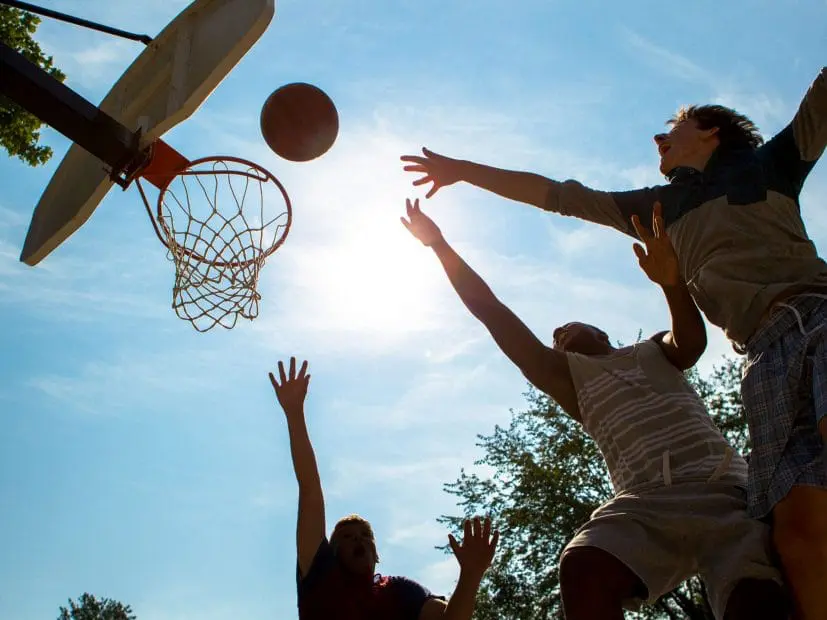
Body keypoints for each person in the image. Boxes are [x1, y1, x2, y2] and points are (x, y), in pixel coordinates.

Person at [401, 67, 827, 619]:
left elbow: (690, 344)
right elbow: (555, 200)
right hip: (751, 372)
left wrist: (673, 285)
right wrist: (460, 177)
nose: (658, 137)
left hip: (799, 349)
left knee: (771, 576)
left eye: (674, 126)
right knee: (794, 537)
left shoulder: (769, 165)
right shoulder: (656, 216)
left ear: (712, 133)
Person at [401, 198, 788, 620]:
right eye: (554, 338)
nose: (557, 334)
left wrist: (672, 285)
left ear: (601, 331)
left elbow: (691, 344)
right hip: (645, 503)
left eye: (566, 326)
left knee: (756, 598)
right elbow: (492, 313)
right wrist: (439, 244)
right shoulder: (569, 378)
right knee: (583, 564)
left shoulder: (650, 349)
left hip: (723, 488)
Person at [270, 357, 499, 620]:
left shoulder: (399, 590)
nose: (358, 539)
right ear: (331, 552)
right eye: (347, 537)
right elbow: (310, 489)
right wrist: (294, 413)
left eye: (365, 535)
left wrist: (470, 575)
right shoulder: (321, 574)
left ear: (377, 554)